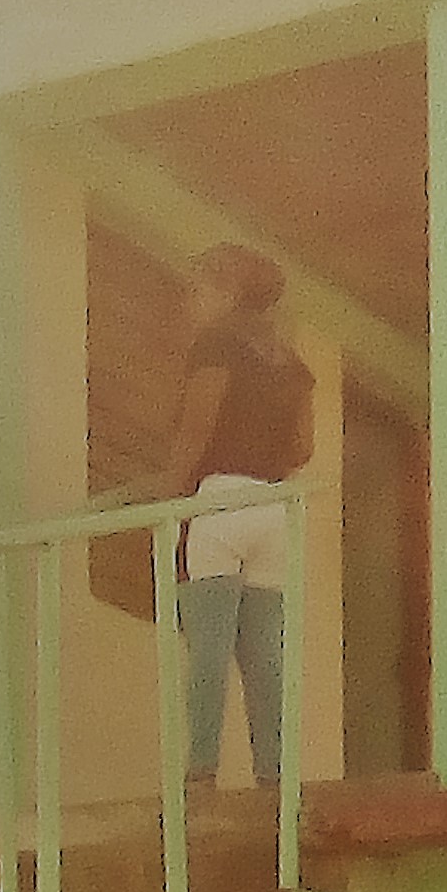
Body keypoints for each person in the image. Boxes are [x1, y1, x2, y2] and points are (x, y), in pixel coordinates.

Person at [164, 242, 315, 793]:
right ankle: (274, 774)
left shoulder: (216, 345)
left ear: (227, 291)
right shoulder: (293, 364)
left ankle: (201, 769)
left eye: (197, 289)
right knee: (265, 656)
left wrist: (169, 496)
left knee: (208, 646)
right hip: (274, 509)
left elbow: (196, 429)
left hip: (220, 501)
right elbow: (302, 448)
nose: (189, 302)